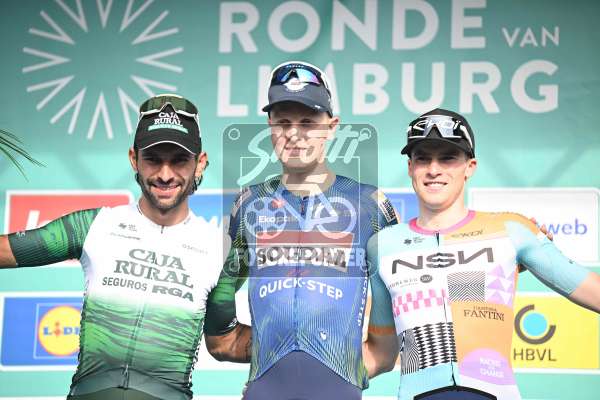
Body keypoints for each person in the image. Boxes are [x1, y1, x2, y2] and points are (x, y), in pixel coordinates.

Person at [0, 94, 248, 400]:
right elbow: (5, 250)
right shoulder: (94, 225)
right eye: (153, 159)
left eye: (179, 160)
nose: (165, 174)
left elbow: (225, 342)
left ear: (200, 163)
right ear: (134, 159)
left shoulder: (220, 250)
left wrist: (295, 344)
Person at [363, 108, 600, 400]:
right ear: (410, 167)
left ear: (470, 166)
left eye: (448, 158)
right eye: (423, 158)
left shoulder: (511, 230)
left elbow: (593, 291)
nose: (434, 169)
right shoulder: (383, 245)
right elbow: (381, 354)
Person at [203, 61, 399, 399]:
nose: (294, 133)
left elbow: (386, 348)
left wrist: (339, 362)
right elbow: (219, 337)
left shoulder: (370, 206)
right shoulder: (249, 204)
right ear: (270, 126)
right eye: (283, 122)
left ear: (332, 127)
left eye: (308, 122)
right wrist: (268, 349)